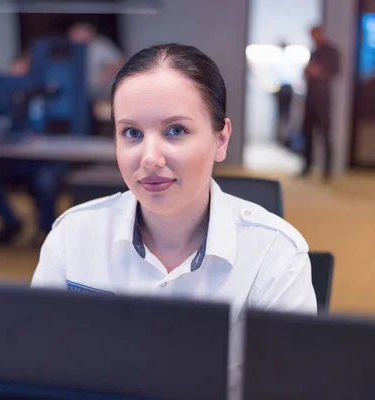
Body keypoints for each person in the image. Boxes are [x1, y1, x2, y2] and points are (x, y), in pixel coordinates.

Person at [31, 43, 317, 398]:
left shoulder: (275, 256)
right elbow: (38, 374)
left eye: (176, 131)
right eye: (132, 133)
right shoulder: (72, 237)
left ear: (221, 139)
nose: (150, 158)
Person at [0, 52, 68, 246]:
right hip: (11, 160)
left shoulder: (46, 95)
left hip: (41, 162)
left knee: (46, 180)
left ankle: (46, 229)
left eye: (23, 73)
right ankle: (11, 223)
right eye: (14, 73)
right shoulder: (0, 97)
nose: (18, 80)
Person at [300, 25, 340, 182]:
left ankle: (327, 171)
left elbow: (336, 72)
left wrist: (319, 72)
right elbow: (306, 73)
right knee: (307, 134)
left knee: (325, 135)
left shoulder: (332, 52)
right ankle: (306, 167)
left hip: (324, 100)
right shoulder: (314, 52)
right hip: (310, 99)